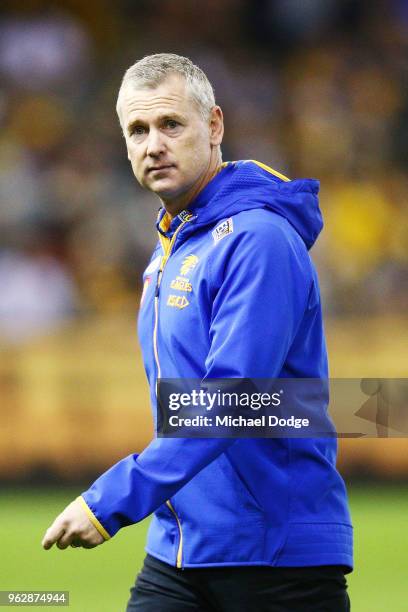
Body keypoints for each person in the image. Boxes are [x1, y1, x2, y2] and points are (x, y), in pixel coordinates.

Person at [42, 53, 352, 611]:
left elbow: (231, 397)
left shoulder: (256, 239)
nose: (153, 144)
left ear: (214, 126)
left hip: (274, 558)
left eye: (170, 124)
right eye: (137, 130)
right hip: (180, 551)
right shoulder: (168, 251)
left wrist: (111, 499)